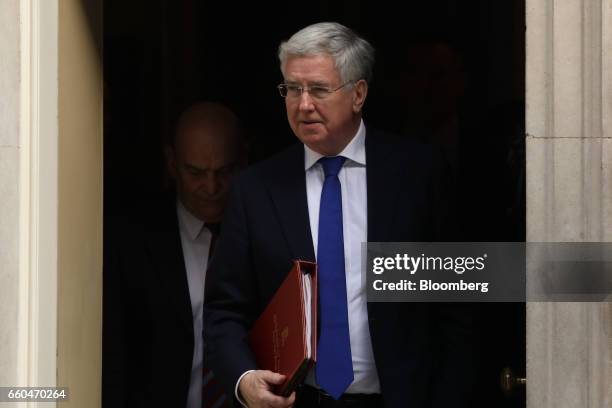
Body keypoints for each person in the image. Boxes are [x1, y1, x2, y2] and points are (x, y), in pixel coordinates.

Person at [204, 22, 474, 408]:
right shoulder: (256, 189)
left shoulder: (417, 174)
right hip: (296, 400)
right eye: (292, 89)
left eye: (318, 89)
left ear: (358, 94)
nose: (303, 104)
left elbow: (456, 308)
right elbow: (224, 310)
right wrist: (244, 379)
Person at [103, 102, 246, 408]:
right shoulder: (130, 239)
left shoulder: (260, 229)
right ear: (171, 163)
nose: (210, 187)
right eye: (195, 172)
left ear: (242, 164)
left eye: (223, 172)